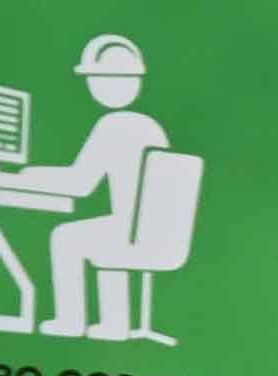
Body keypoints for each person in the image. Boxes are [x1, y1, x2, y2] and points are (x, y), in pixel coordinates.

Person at [33, 36, 174, 340]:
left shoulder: (114, 127)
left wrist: (32, 176)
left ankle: (71, 321)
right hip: (157, 231)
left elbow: (80, 184)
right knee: (108, 235)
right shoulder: (151, 127)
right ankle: (115, 325)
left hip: (132, 230)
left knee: (65, 238)